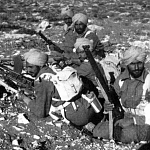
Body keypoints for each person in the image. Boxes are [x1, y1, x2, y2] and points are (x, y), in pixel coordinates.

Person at [93, 46, 150, 143]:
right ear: (127, 64)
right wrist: (107, 106)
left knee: (130, 133)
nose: (136, 68)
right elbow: (112, 99)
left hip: (143, 121)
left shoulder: (148, 81)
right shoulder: (121, 80)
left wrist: (133, 121)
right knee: (98, 131)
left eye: (139, 64)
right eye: (132, 64)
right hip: (124, 117)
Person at [20, 49, 56, 118]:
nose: (28, 70)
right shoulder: (48, 71)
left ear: (40, 66)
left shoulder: (42, 81)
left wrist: (24, 98)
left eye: (31, 67)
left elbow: (40, 113)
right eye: (27, 67)